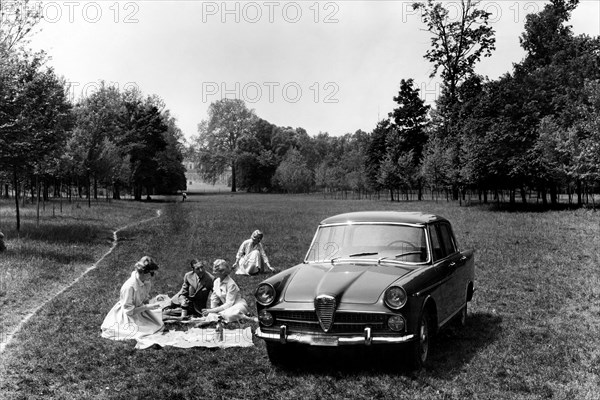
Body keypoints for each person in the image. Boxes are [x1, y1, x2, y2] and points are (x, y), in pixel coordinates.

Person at [101, 256, 164, 340]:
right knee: (145, 330)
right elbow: (129, 311)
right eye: (152, 274)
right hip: (128, 315)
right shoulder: (129, 287)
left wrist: (153, 300)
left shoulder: (145, 282)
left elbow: (143, 298)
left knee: (157, 323)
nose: (152, 276)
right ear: (144, 273)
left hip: (139, 310)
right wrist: (147, 307)